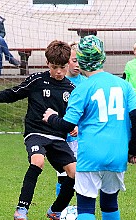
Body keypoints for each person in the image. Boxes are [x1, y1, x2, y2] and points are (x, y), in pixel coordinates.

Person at [43, 35, 136, 220]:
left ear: (82, 62)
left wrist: (50, 117)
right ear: (102, 57)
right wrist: (134, 149)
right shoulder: (123, 85)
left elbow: (68, 124)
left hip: (90, 156)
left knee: (86, 207)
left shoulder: (82, 89)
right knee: (110, 204)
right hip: (117, 154)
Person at [0, 40, 76, 220]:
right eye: (55, 67)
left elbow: (75, 114)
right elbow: (14, 93)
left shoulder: (71, 88)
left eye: (62, 67)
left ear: (67, 64)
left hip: (58, 137)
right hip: (36, 132)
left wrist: (75, 126)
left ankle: (56, 210)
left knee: (75, 173)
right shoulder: (37, 80)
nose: (59, 72)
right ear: (48, 64)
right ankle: (22, 208)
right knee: (37, 161)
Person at [55, 42, 87, 197]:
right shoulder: (57, 82)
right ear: (66, 60)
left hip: (82, 138)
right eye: (74, 60)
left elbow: (89, 112)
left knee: (83, 176)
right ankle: (60, 211)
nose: (77, 64)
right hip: (62, 138)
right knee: (63, 176)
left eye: (80, 60)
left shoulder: (87, 83)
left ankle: (81, 210)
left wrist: (80, 127)